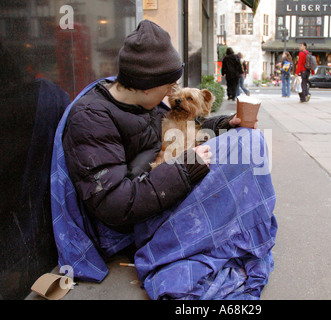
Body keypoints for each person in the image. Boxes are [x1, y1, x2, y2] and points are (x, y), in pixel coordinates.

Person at [61, 20, 242, 232]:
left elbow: (181, 128)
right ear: (147, 86)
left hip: (162, 188)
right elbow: (114, 205)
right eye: (170, 86)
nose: (171, 95)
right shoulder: (90, 120)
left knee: (244, 140)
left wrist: (225, 124)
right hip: (132, 226)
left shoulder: (144, 105)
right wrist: (185, 168)